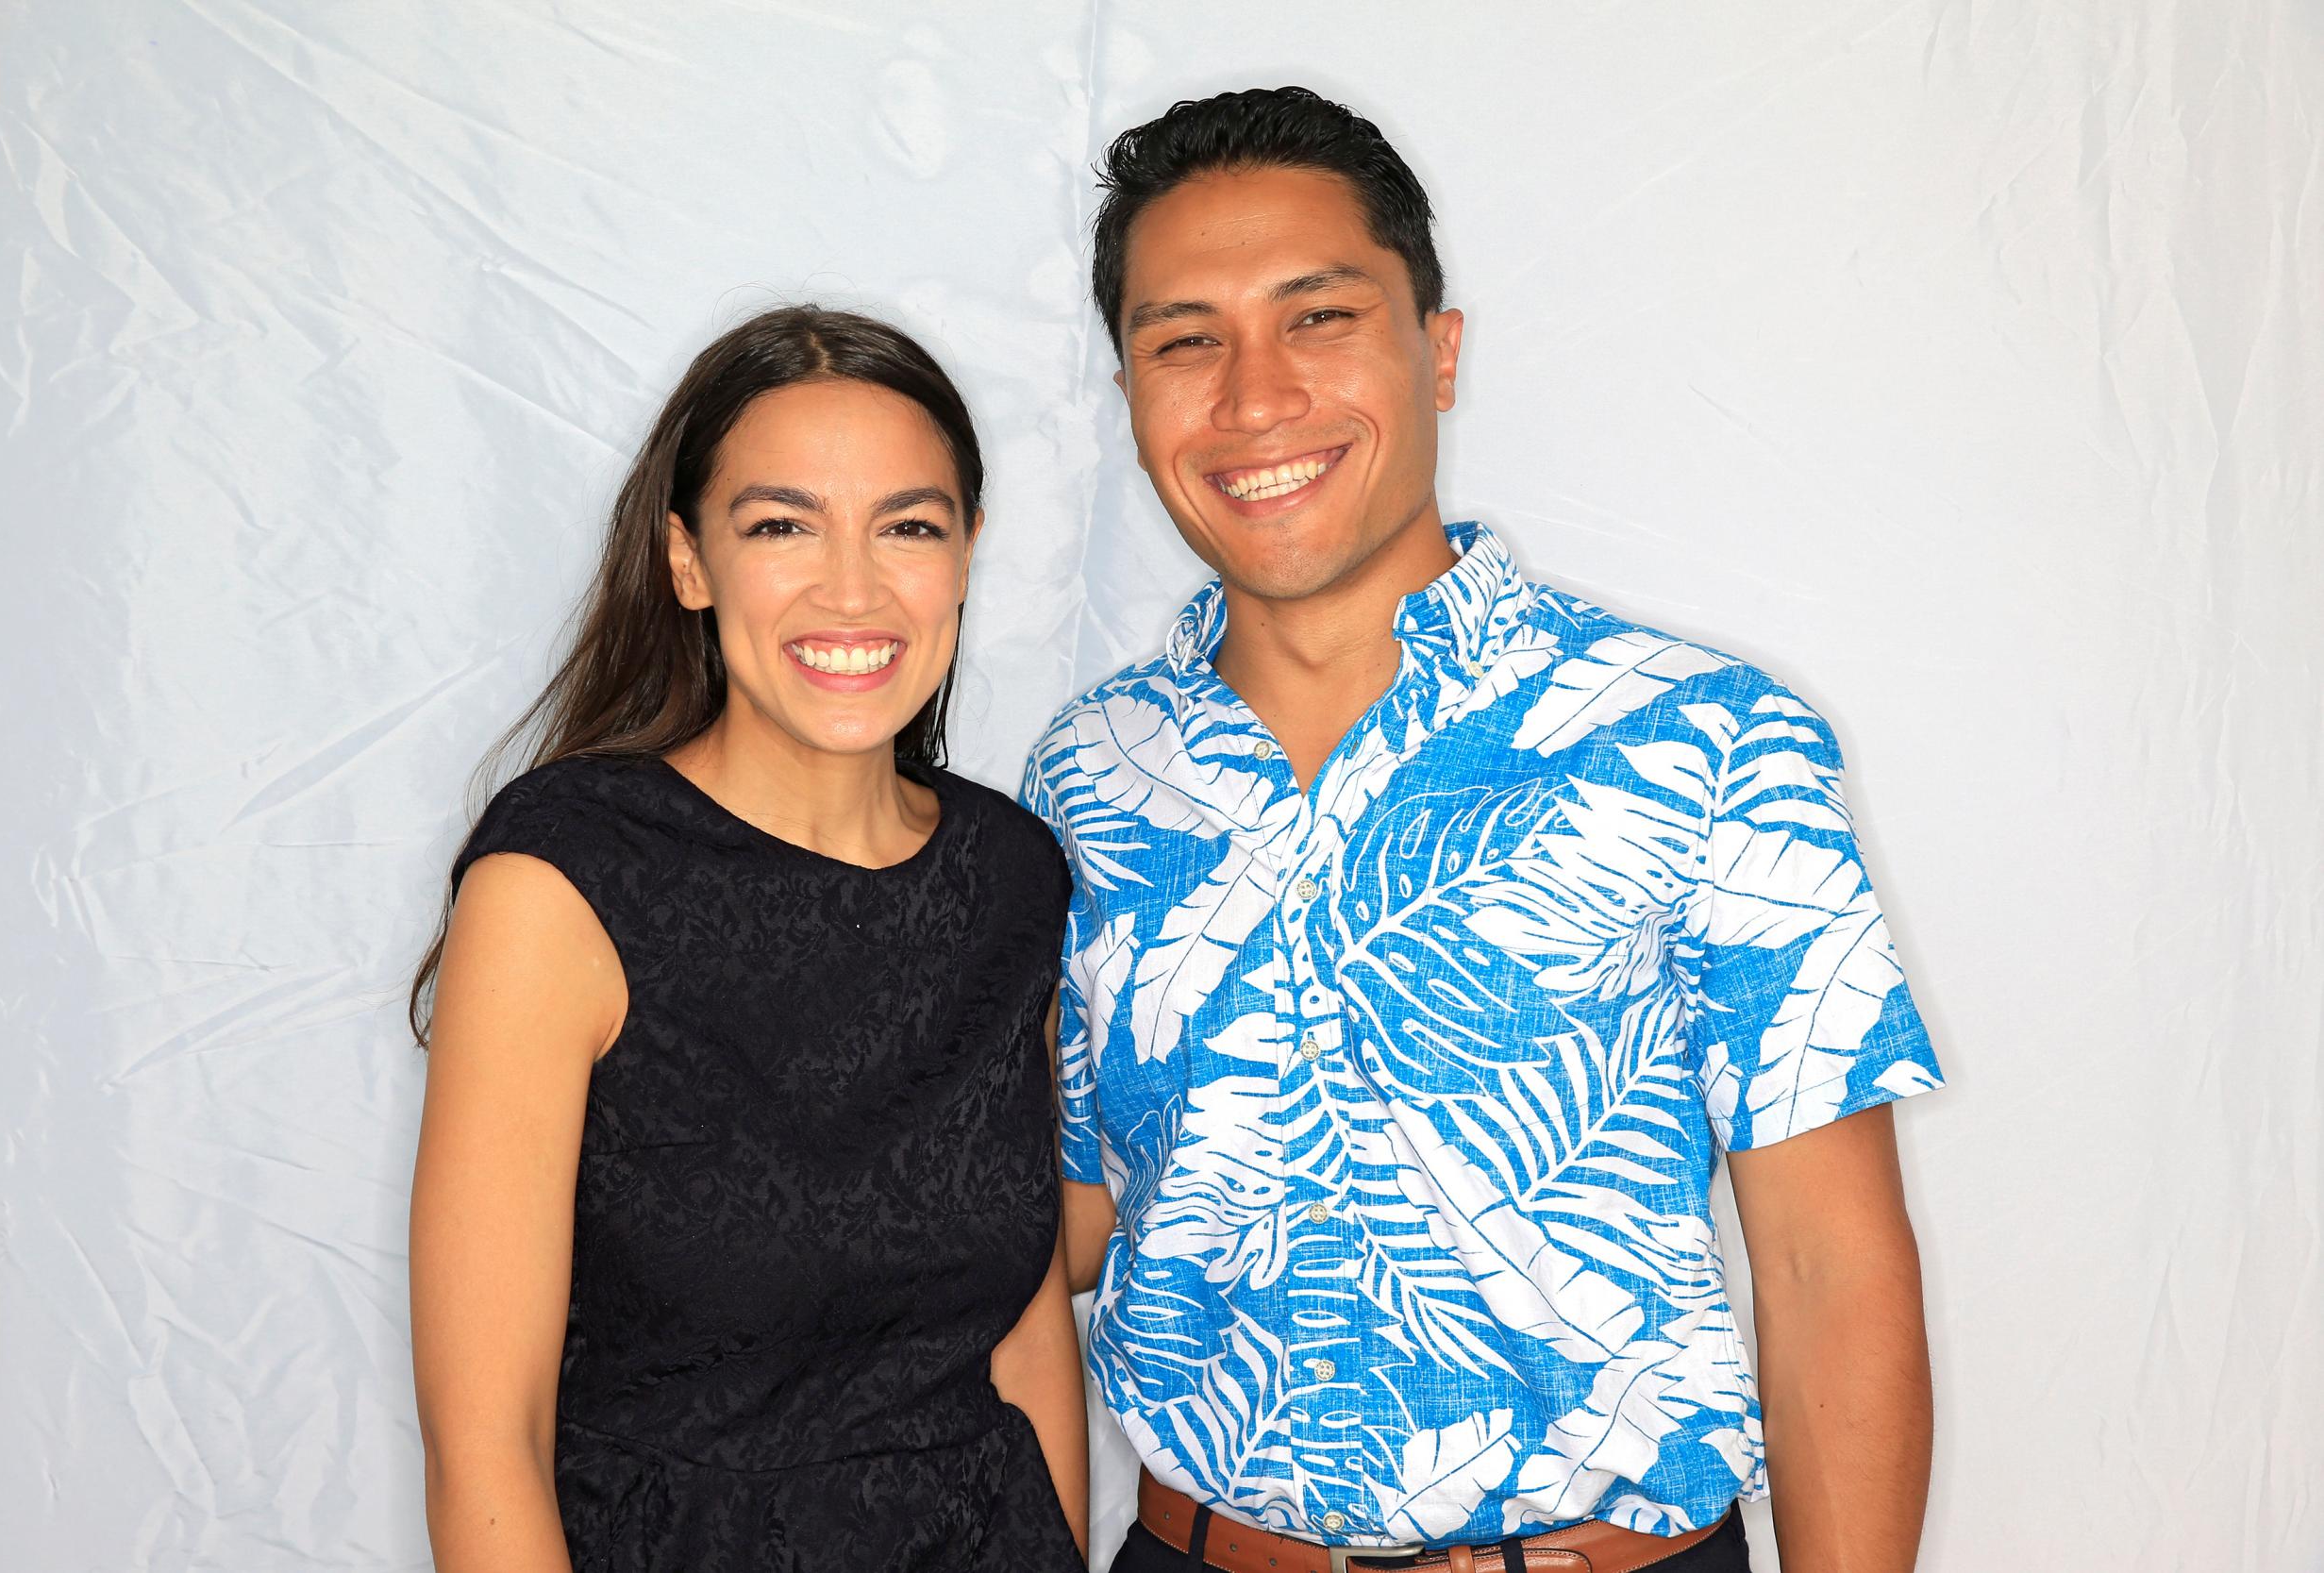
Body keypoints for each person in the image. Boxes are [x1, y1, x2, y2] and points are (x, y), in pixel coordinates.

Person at [1024, 89, 1945, 1573]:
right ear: (1131, 392)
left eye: (1317, 317)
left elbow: (1829, 1266)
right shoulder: (1084, 779)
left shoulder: (1699, 737)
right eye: (1184, 339)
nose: (1253, 398)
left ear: (1436, 354)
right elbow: (1055, 1220)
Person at [407, 306, 1088, 1573]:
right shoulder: (565, 878)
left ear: (967, 552)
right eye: (782, 526)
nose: (852, 588)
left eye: (910, 526)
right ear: (687, 559)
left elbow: (1021, 1324)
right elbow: (482, 1442)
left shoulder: (1011, 876)